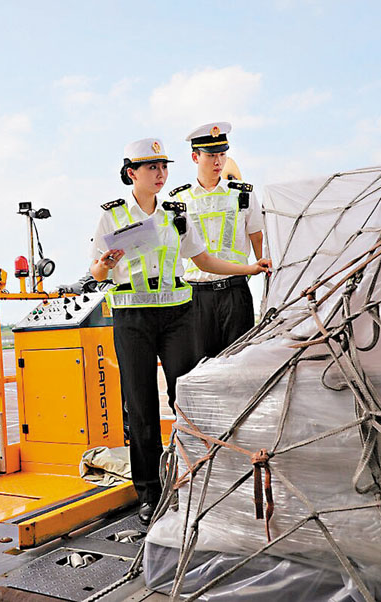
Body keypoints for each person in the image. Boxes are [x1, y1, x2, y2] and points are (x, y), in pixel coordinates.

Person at [88, 138, 270, 524]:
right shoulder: (112, 216)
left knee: (186, 400)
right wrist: (104, 263)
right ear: (131, 173)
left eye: (163, 167)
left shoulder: (176, 213)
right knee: (140, 407)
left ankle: (198, 478)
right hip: (133, 319)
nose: (160, 174)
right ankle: (149, 494)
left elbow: (202, 259)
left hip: (177, 316)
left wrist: (249, 269)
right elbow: (97, 273)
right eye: (151, 168)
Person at [169, 122, 269, 359]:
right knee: (199, 365)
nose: (218, 162)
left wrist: (266, 273)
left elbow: (257, 236)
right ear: (195, 157)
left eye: (223, 154)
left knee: (240, 363)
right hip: (195, 296)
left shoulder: (242, 194)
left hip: (235, 292)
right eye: (211, 155)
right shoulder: (179, 200)